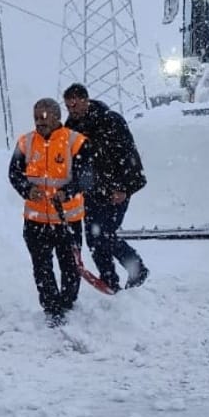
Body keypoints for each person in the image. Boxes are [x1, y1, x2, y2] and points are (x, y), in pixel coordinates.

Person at [9, 99, 92, 328]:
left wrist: (68, 192)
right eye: (36, 117)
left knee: (69, 265)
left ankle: (67, 301)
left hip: (67, 219)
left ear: (56, 117)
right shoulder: (26, 143)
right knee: (41, 265)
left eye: (43, 117)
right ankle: (51, 306)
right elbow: (14, 174)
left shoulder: (75, 141)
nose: (39, 122)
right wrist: (27, 189)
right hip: (35, 220)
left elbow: (86, 175)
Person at [63, 83, 149, 292]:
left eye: (75, 104)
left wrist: (125, 188)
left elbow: (129, 155)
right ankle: (109, 278)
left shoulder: (110, 120)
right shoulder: (71, 127)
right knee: (93, 237)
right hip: (91, 191)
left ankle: (136, 268)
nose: (72, 109)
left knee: (105, 234)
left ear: (86, 100)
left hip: (116, 189)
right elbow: (72, 162)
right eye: (68, 106)